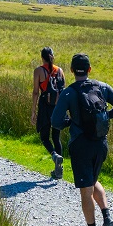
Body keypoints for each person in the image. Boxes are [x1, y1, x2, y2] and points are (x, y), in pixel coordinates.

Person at [51, 53, 113, 226]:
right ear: (89, 69)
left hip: (80, 145)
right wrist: (105, 117)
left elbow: (55, 122)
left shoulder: (69, 93)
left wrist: (70, 122)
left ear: (71, 70)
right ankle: (107, 218)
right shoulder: (102, 87)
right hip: (101, 143)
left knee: (86, 190)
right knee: (93, 181)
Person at [31, 47, 66, 179]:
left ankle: (54, 155)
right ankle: (59, 171)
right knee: (56, 137)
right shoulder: (60, 70)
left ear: (42, 57)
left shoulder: (39, 71)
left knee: (44, 137)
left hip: (45, 106)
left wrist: (33, 111)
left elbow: (35, 92)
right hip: (58, 107)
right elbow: (64, 91)